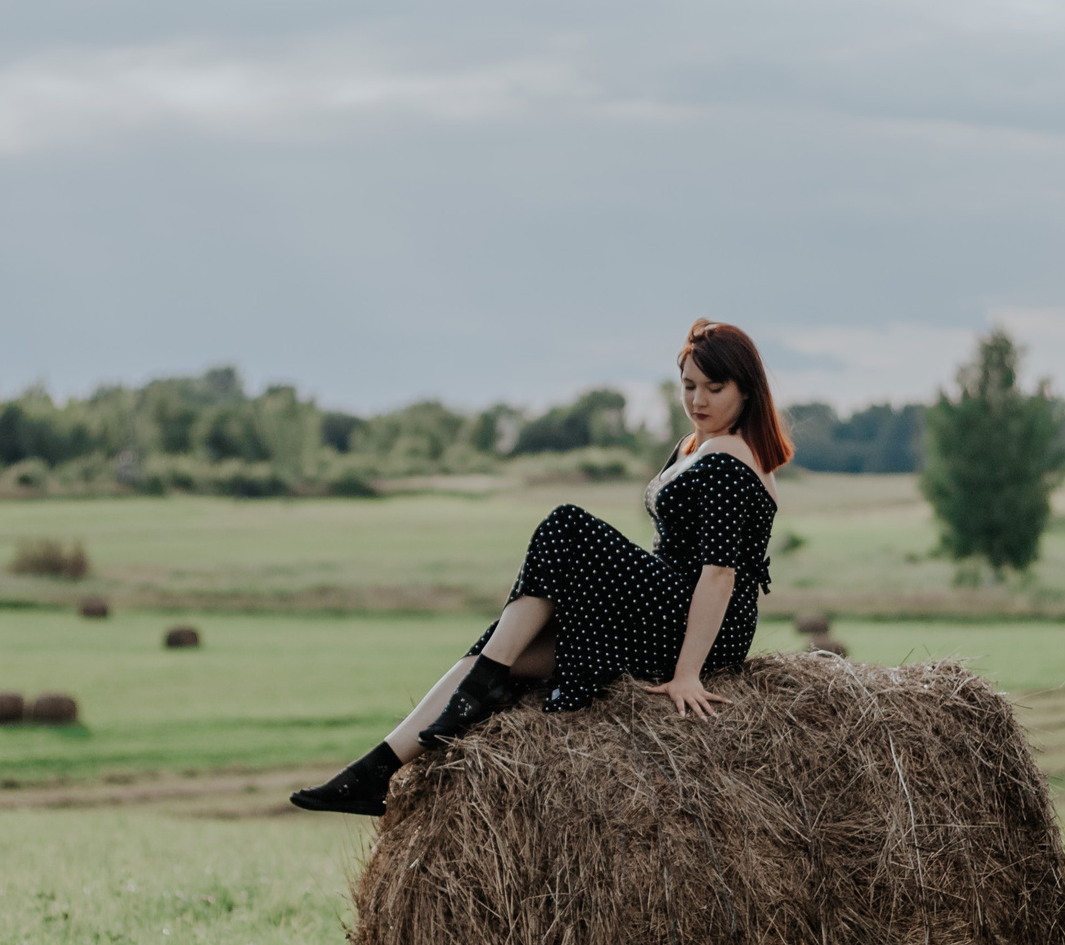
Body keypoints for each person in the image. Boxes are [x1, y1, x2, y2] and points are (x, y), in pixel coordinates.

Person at [291, 319, 790, 816]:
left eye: (714, 388)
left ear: (747, 391)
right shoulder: (696, 445)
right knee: (501, 647)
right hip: (662, 607)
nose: (697, 400)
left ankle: (478, 689)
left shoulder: (731, 458)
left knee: (567, 524)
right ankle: (377, 768)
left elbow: (719, 575)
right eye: (688, 386)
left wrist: (687, 674)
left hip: (695, 624)